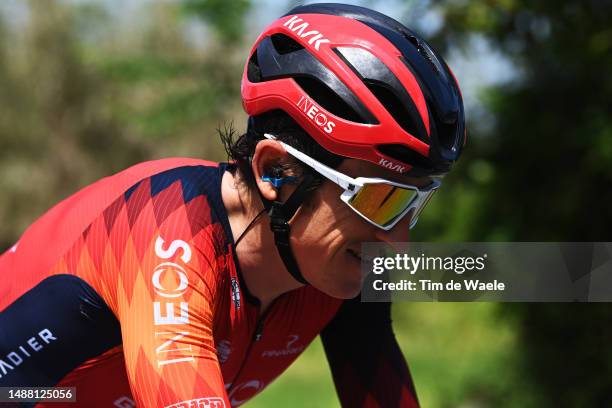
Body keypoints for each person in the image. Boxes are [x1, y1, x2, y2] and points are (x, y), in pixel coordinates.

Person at [0, 3, 465, 407]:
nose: (398, 242)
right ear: (276, 173)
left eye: (413, 205)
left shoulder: (339, 260)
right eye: (380, 198)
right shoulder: (165, 230)